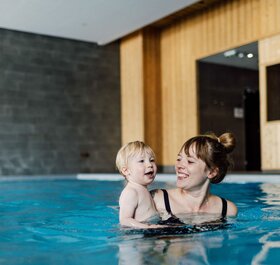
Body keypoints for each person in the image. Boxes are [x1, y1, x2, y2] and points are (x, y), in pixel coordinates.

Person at [151, 132, 238, 224]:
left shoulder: (228, 210)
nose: (179, 165)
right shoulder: (157, 199)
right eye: (179, 159)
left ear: (212, 172)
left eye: (190, 161)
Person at [116, 141, 162, 229]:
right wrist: (149, 227)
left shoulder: (142, 189)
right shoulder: (131, 192)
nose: (150, 165)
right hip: (141, 234)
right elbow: (125, 220)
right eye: (141, 161)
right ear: (126, 170)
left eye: (151, 160)